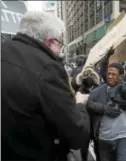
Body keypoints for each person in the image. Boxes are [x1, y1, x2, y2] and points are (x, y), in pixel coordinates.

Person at [2, 11, 90, 161]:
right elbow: (77, 134)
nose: (60, 51)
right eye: (60, 43)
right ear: (50, 42)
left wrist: (73, 84)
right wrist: (80, 104)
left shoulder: (4, 50)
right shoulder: (48, 68)